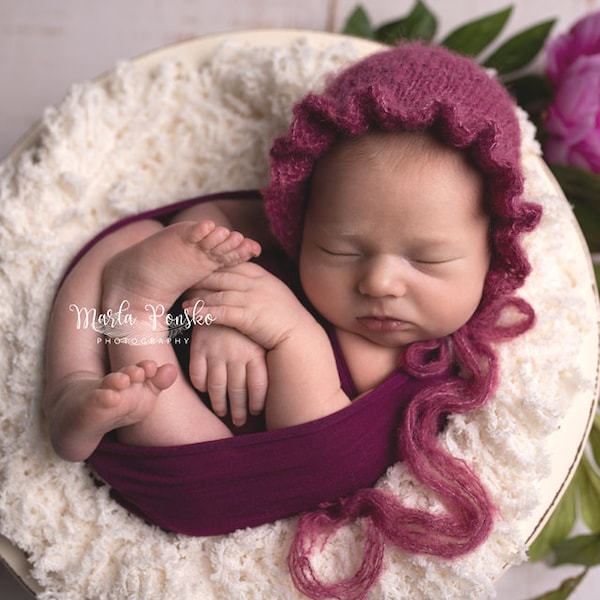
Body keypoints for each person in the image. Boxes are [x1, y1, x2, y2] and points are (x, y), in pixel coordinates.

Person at [43, 42, 541, 598]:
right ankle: (73, 385)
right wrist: (214, 307)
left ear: (492, 253)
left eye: (426, 260)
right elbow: (212, 222)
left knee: (172, 417)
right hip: (176, 328)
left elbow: (320, 452)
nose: (378, 283)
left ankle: (134, 305)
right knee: (128, 242)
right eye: (341, 249)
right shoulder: (294, 228)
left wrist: (290, 334)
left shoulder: (410, 354)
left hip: (202, 456)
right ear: (304, 217)